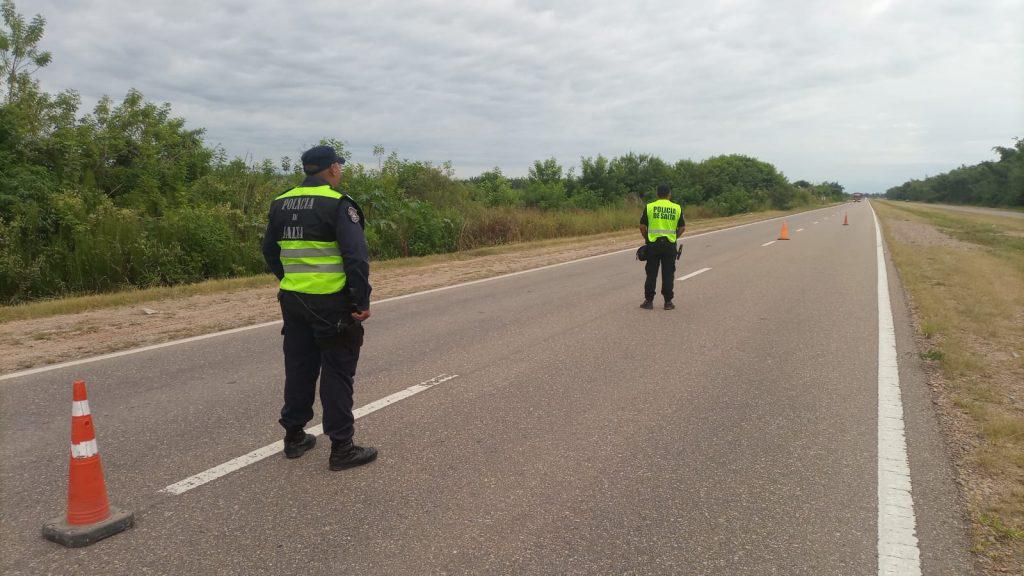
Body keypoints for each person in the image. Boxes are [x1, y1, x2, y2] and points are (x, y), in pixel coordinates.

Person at [261, 145, 377, 471]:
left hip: (293, 300)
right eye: (339, 165)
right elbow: (355, 257)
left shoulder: (281, 202)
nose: (340, 170)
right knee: (337, 371)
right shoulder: (337, 204)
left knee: (299, 367)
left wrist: (290, 280)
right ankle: (342, 448)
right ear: (332, 169)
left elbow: (269, 250)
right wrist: (360, 300)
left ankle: (295, 437)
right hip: (332, 303)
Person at [639, 184, 685, 310]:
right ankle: (668, 302)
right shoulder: (676, 208)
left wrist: (647, 239)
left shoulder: (649, 207)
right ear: (669, 194)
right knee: (668, 274)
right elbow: (682, 227)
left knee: (651, 273)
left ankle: (648, 302)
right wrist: (674, 237)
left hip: (653, 244)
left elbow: (642, 226)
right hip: (669, 245)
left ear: (657, 194)